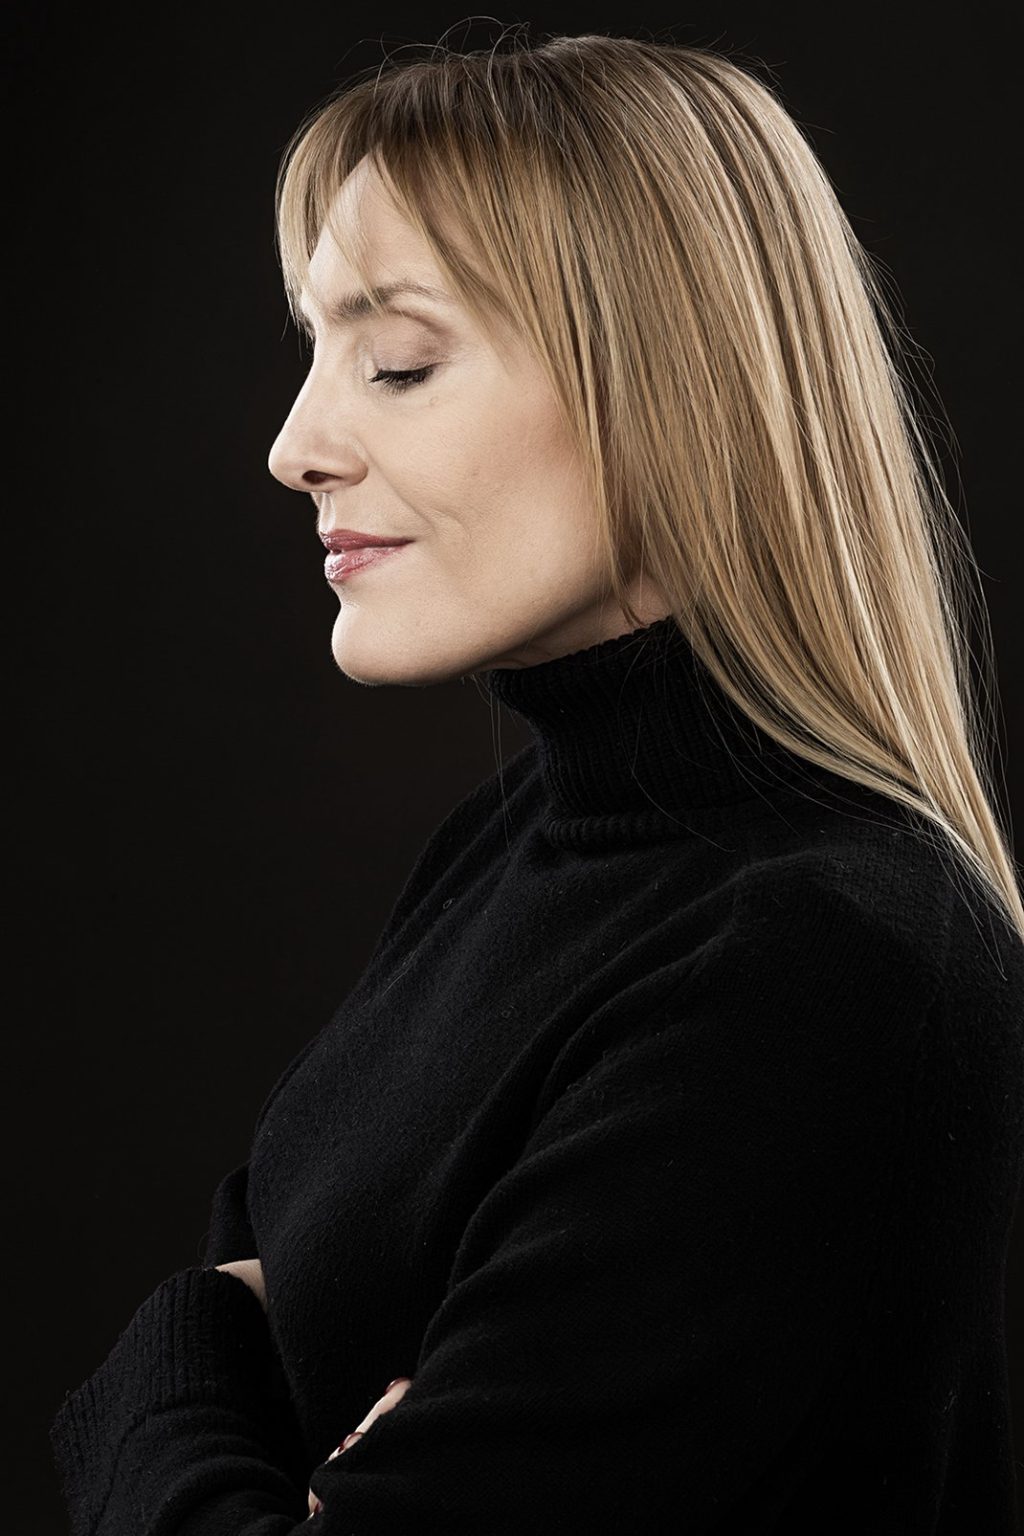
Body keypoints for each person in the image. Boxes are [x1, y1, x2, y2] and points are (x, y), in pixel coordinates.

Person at [49, 28, 1024, 1535]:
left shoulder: (821, 967)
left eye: (398, 362)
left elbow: (248, 1306)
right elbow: (257, 1268)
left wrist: (164, 1375)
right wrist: (227, 1355)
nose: (295, 445)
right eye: (316, 353)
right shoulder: (515, 842)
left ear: (671, 390)